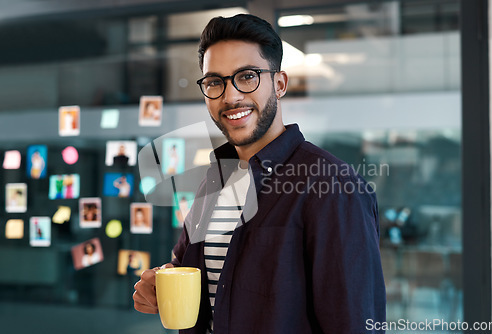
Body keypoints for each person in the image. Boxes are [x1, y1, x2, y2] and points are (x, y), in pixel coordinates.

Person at [133, 14, 386, 333]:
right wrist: (158, 283)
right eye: (215, 82)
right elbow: (187, 267)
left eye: (247, 76)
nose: (231, 96)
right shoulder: (213, 180)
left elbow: (354, 324)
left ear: (279, 84)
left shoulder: (333, 186)